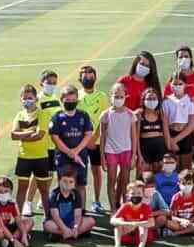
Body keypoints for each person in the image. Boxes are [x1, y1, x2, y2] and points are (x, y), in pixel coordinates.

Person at [48, 85, 93, 211]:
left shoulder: (83, 115)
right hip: (62, 157)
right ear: (62, 100)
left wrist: (76, 151)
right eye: (68, 101)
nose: (71, 103)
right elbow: (55, 138)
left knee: (80, 184)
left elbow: (88, 134)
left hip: (81, 156)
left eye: (73, 101)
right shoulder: (57, 117)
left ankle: (81, 210)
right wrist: (69, 152)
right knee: (63, 184)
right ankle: (64, 211)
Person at [11, 84, 53, 221]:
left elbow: (40, 135)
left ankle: (48, 218)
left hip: (41, 157)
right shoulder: (20, 114)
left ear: (36, 99)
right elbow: (13, 135)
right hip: (23, 157)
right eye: (24, 98)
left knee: (44, 190)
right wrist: (29, 133)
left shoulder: (42, 113)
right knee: (21, 190)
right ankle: (17, 219)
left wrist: (22, 135)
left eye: (30, 98)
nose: (27, 100)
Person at [24, 69, 60, 216]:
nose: (51, 85)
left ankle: (41, 200)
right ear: (41, 83)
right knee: (37, 175)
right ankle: (28, 202)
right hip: (41, 144)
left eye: (54, 83)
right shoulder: (38, 100)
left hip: (53, 143)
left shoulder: (56, 98)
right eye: (48, 82)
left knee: (50, 172)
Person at [99, 83, 138, 211]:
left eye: (121, 96)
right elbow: (102, 137)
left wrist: (133, 156)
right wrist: (102, 157)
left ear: (125, 97)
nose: (118, 99)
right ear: (111, 96)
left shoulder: (131, 115)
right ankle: (113, 209)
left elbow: (134, 137)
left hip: (126, 151)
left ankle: (124, 206)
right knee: (111, 179)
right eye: (116, 96)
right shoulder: (105, 115)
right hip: (110, 151)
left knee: (125, 180)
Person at [78, 65, 109, 213]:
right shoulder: (76, 96)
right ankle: (79, 202)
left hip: (96, 141)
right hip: (80, 142)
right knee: (79, 172)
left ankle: (96, 201)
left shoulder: (102, 96)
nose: (87, 76)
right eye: (84, 74)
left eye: (90, 73)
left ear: (95, 77)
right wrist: (85, 139)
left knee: (96, 170)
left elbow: (104, 120)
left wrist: (94, 137)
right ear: (80, 78)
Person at [164, 46, 194, 148]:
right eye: (180, 57)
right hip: (176, 122)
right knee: (177, 153)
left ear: (191, 59)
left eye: (186, 56)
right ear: (177, 60)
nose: (183, 59)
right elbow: (166, 102)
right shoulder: (172, 80)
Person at [43, 167, 95, 241]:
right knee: (47, 225)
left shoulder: (76, 194)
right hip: (57, 223)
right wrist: (64, 229)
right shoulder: (55, 194)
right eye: (64, 181)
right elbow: (55, 216)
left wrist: (76, 227)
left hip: (72, 223)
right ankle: (71, 234)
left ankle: (63, 235)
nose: (67, 184)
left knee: (91, 221)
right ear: (59, 181)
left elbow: (77, 215)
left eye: (71, 182)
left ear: (74, 183)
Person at [110, 181, 154, 247]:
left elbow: (152, 223)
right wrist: (128, 224)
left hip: (141, 236)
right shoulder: (125, 206)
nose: (136, 196)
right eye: (133, 193)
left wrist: (136, 224)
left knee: (144, 226)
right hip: (127, 234)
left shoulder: (146, 207)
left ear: (143, 195)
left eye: (139, 193)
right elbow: (112, 221)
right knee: (118, 222)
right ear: (127, 196)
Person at [163, 72, 194, 169]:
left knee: (186, 168)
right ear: (170, 84)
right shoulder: (166, 101)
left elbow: (191, 125)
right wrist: (170, 141)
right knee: (173, 168)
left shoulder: (190, 101)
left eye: (180, 84)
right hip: (171, 134)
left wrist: (175, 140)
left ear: (185, 84)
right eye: (174, 84)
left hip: (185, 136)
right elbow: (165, 124)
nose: (177, 86)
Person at [136, 87, 169, 173]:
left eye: (154, 98)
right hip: (145, 150)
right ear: (143, 100)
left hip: (160, 149)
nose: (151, 101)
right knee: (145, 177)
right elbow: (136, 138)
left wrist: (168, 152)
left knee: (159, 177)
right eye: (149, 99)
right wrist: (139, 155)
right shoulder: (139, 114)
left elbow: (166, 135)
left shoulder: (161, 114)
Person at [165, 170, 194, 237]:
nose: (186, 186)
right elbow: (173, 216)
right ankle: (191, 231)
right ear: (179, 184)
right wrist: (182, 221)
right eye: (183, 183)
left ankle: (178, 233)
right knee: (168, 223)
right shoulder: (176, 198)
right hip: (180, 223)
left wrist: (188, 222)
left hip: (191, 222)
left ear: (193, 184)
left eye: (189, 183)